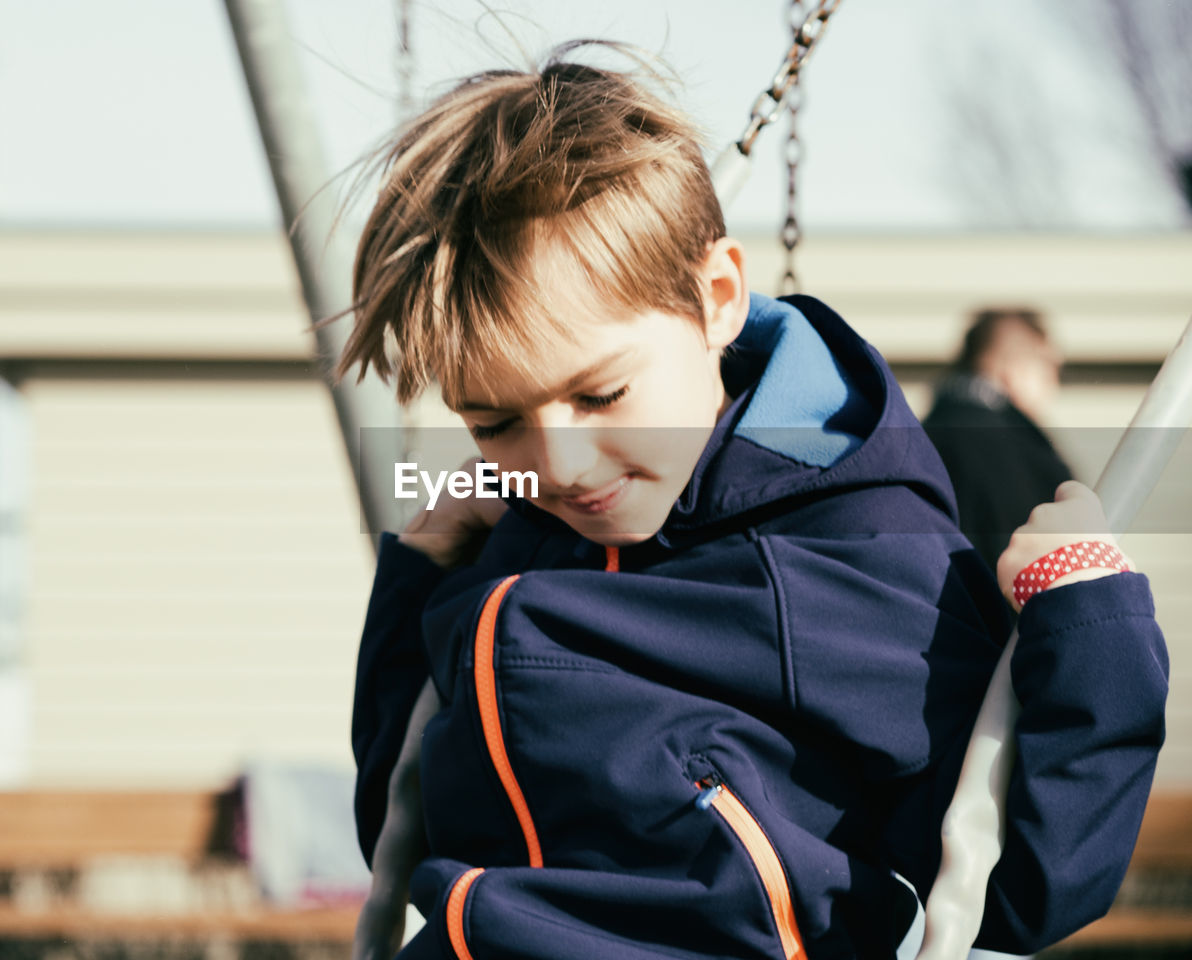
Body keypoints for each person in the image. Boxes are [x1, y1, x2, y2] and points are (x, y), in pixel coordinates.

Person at [334, 47, 1167, 960]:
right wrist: (418, 583)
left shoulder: (843, 558)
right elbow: (404, 825)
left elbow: (1015, 887)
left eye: (601, 396)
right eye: (495, 424)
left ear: (718, 298)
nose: (558, 462)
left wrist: (1093, 623)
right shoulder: (521, 545)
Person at [923, 309, 1074, 575]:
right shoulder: (1014, 452)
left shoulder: (922, 436)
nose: (1055, 383)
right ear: (1013, 369)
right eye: (1049, 366)